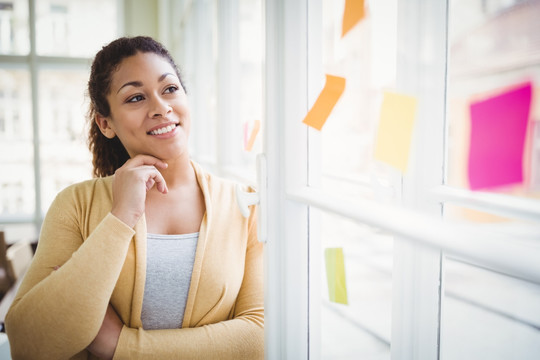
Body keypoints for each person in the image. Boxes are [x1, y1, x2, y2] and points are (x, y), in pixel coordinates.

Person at [5, 36, 264, 360]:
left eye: (169, 89)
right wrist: (120, 218)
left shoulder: (245, 205)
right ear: (106, 123)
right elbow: (28, 345)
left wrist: (117, 346)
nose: (160, 107)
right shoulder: (76, 205)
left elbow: (258, 337)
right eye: (136, 97)